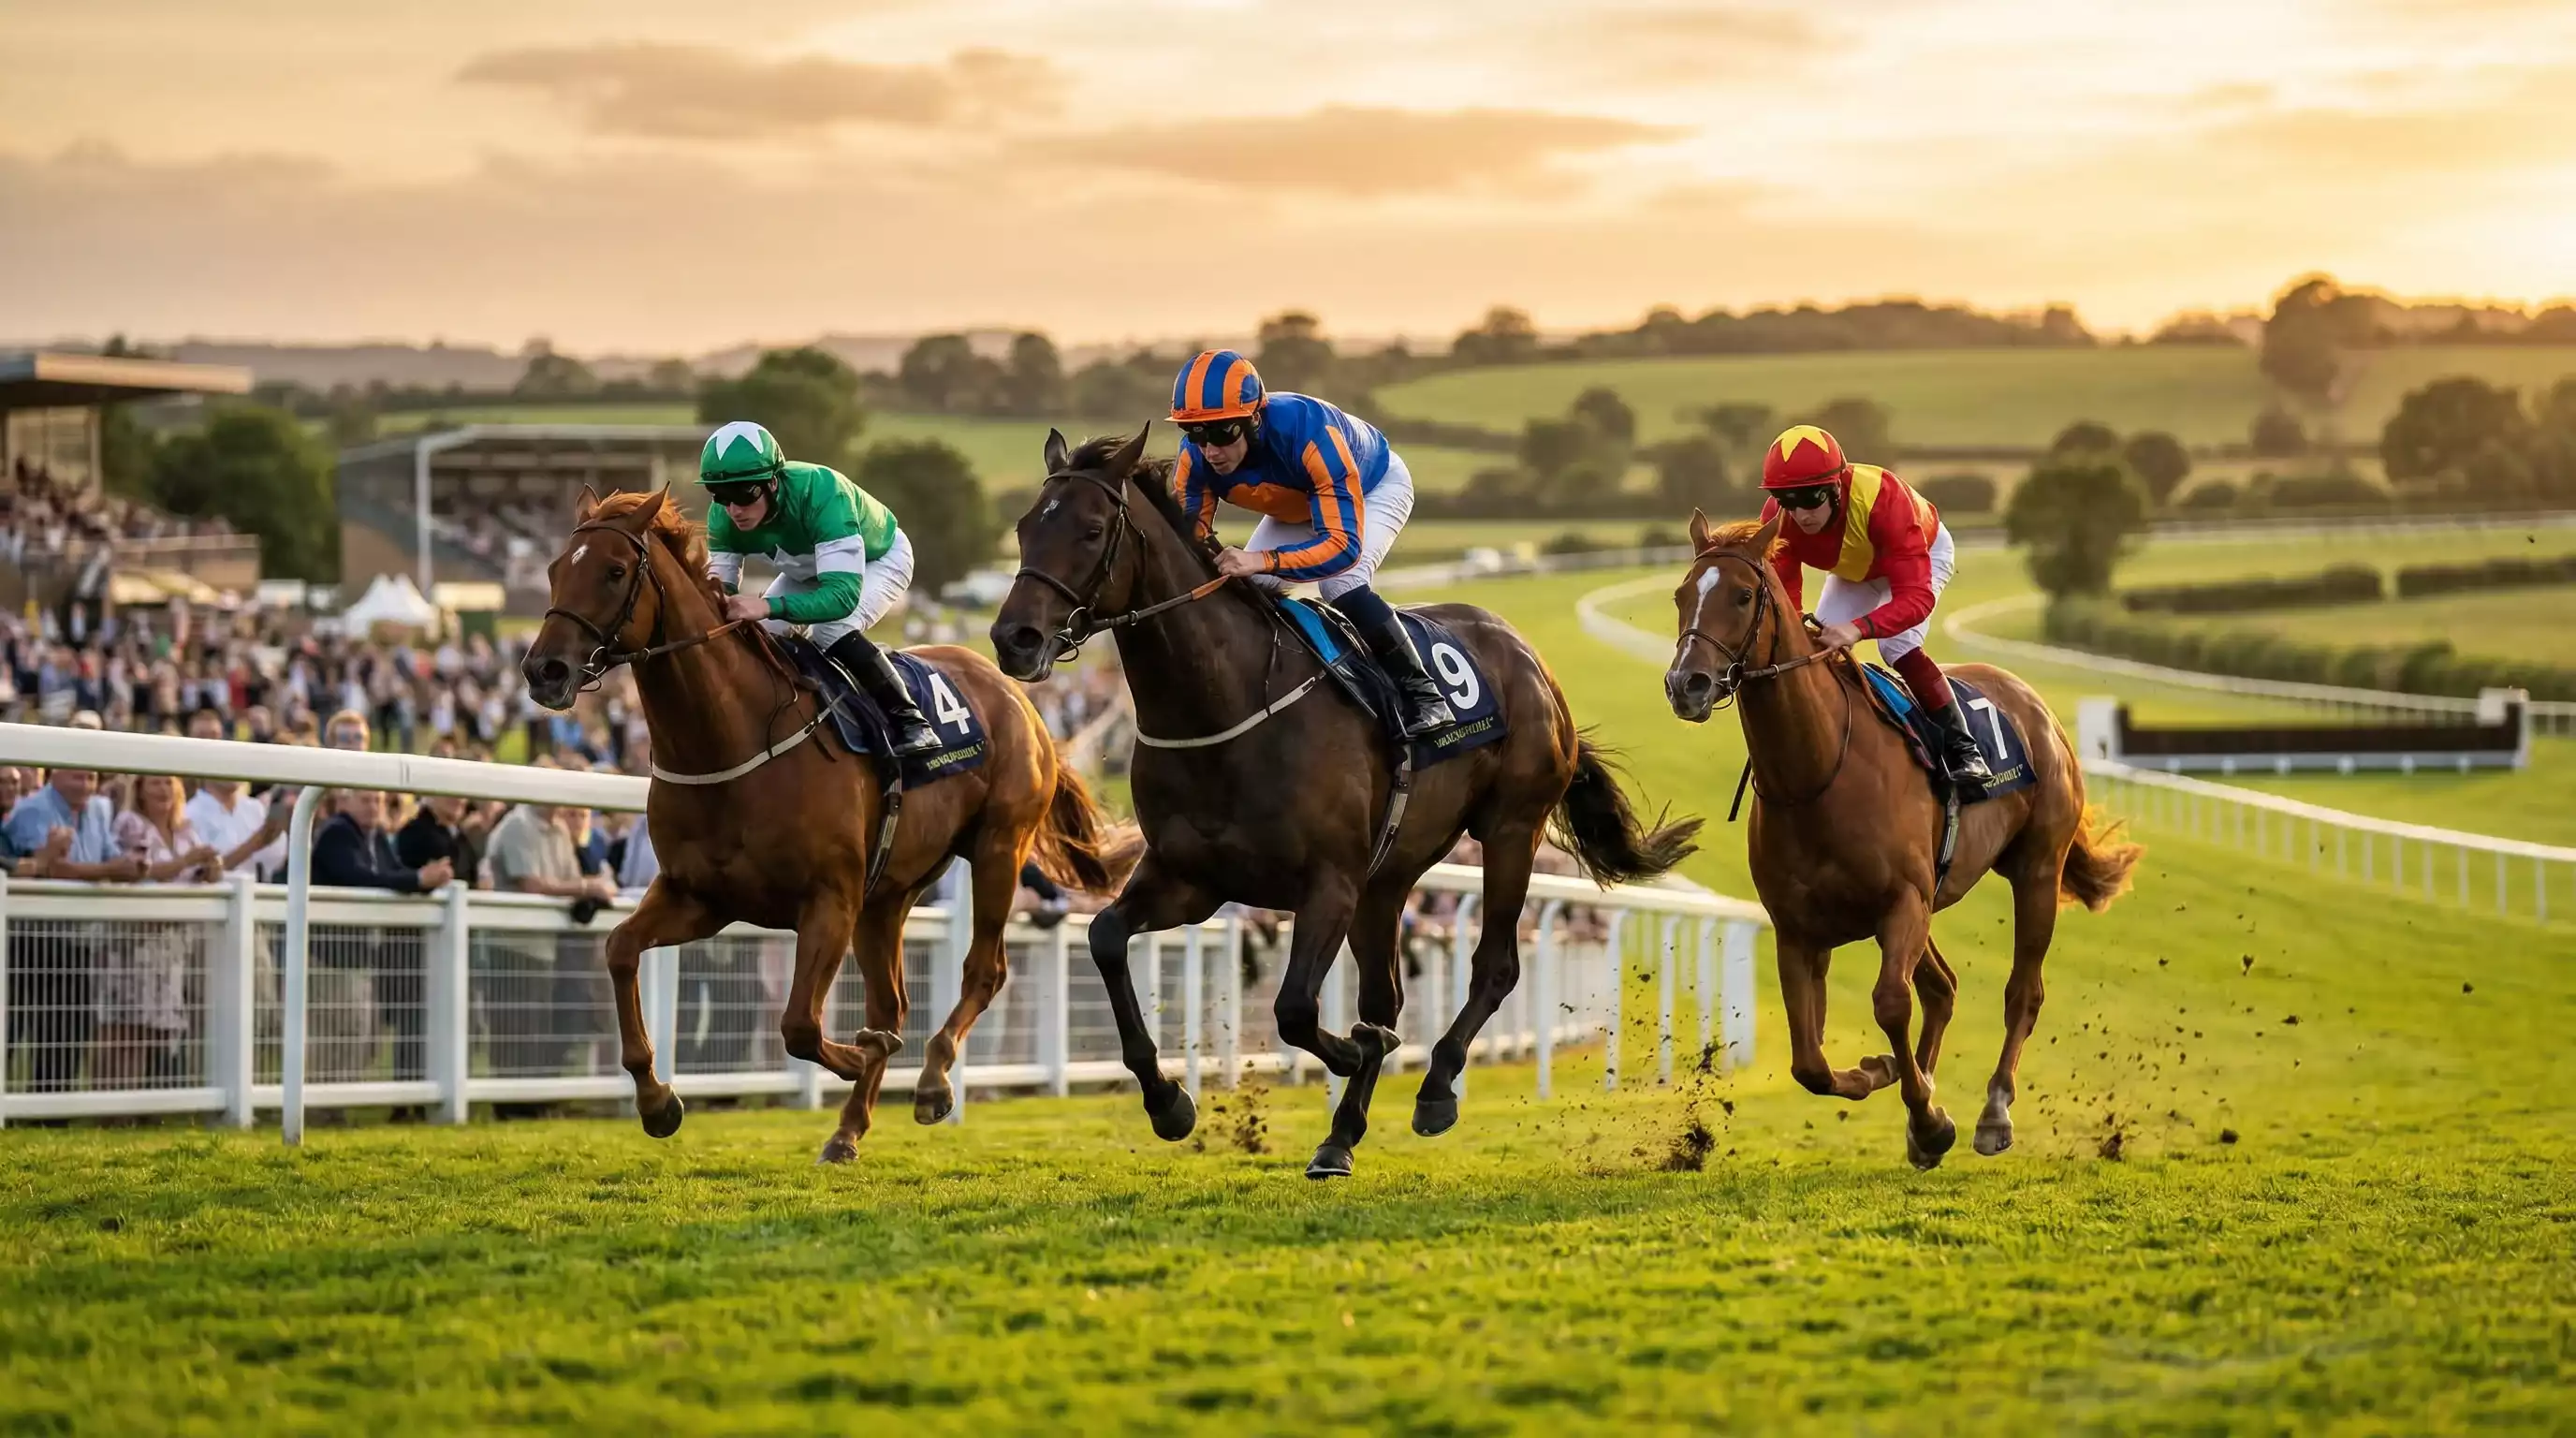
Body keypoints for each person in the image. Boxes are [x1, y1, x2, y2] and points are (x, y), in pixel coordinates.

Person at [1166, 349, 1455, 736]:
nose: (1210, 450)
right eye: (1196, 434)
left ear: (1254, 419)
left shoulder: (1308, 433)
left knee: (1341, 584)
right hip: (1301, 503)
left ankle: (1426, 696)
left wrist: (1261, 559)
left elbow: (1342, 547)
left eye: (1223, 432)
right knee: (1250, 589)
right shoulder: (1195, 460)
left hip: (1374, 486)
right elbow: (1191, 539)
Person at [1755, 424, 1993, 786]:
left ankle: (1965, 751)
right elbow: (1787, 595)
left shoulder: (1884, 500)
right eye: (1788, 500)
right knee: (1816, 646)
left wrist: (1857, 628)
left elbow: (1916, 598)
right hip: (1855, 568)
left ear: (1836, 486)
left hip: (1921, 553)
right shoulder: (1779, 518)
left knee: (1897, 646)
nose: (1801, 514)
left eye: (1811, 497)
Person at [697, 420, 939, 756]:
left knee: (829, 629)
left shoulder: (822, 491)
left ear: (772, 482)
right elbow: (717, 593)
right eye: (721, 495)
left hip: (878, 558)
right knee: (763, 633)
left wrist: (767, 605)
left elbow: (841, 597)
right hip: (806, 567)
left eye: (744, 494)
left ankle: (911, 721)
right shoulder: (722, 515)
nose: (734, 509)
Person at [96, 773, 221, 1090]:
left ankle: (145, 1105)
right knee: (127, 1028)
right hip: (134, 939)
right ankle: (114, 1106)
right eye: (155, 783)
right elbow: (142, 870)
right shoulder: (129, 823)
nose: (163, 789)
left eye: (169, 782)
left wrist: (211, 869)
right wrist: (188, 860)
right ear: (139, 790)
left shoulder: (186, 827)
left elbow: (195, 873)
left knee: (157, 1029)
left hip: (173, 944)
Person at [182, 708, 289, 879]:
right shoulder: (189, 815)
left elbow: (276, 860)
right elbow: (200, 875)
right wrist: (255, 843)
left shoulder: (255, 809)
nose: (233, 769)